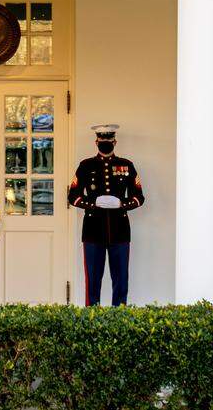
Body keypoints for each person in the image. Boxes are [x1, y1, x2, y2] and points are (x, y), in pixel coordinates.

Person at [67, 124, 146, 306]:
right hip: (93, 231)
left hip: (120, 231)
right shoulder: (86, 166)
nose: (105, 144)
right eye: (102, 141)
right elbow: (73, 196)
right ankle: (92, 321)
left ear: (115, 142)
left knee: (121, 281)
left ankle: (118, 320)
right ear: (96, 142)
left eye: (109, 141)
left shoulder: (126, 166)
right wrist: (92, 203)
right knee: (93, 281)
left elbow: (139, 197)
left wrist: (121, 204)